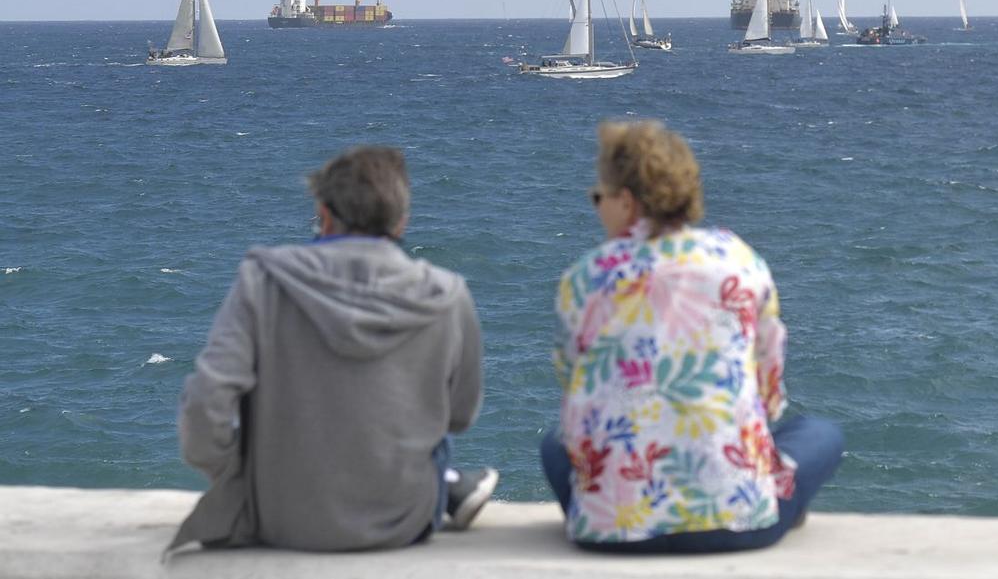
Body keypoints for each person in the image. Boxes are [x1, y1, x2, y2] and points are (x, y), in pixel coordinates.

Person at [170, 146, 496, 554]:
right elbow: (460, 415)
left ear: (323, 215)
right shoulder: (448, 295)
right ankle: (450, 484)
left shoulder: (263, 281)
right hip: (400, 522)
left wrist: (234, 472)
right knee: (431, 429)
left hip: (279, 519)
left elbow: (205, 406)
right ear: (401, 222)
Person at [541, 119, 841, 553]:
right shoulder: (740, 260)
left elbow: (574, 392)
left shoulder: (584, 278)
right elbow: (768, 390)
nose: (597, 207)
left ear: (626, 202)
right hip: (740, 522)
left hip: (613, 532)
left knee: (553, 445)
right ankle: (774, 502)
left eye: (598, 197)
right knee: (820, 433)